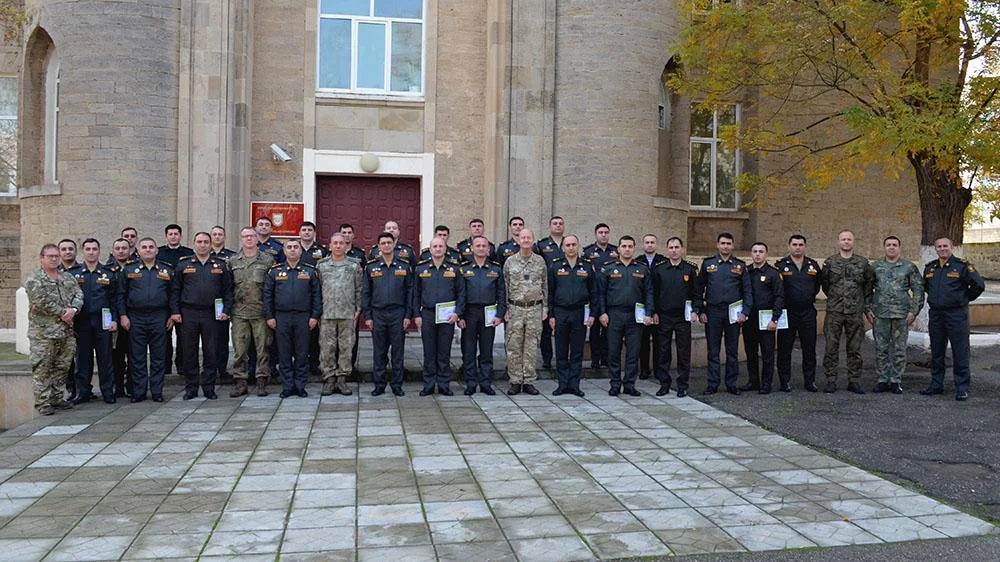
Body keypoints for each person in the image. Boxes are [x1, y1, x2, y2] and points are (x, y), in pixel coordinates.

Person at [920, 237, 985, 401]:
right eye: (939, 246)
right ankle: (936, 385)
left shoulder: (962, 266)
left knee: (960, 351)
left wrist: (963, 299)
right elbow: (927, 287)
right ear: (935, 249)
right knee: (937, 351)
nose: (942, 249)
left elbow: (979, 285)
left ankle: (962, 388)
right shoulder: (930, 268)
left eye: (945, 246)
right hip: (936, 315)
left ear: (952, 247)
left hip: (957, 315)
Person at [171, 232, 233, 400]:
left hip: (211, 313)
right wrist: (175, 311)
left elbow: (228, 290)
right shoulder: (184, 264)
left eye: (206, 242)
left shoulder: (220, 265)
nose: (203, 245)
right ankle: (191, 388)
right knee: (189, 352)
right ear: (194, 244)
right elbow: (175, 290)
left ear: (211, 244)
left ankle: (209, 388)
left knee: (211, 351)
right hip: (188, 313)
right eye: (199, 241)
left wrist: (226, 310)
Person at [25, 244, 83, 415]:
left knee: (62, 366)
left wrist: (73, 310)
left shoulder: (67, 277)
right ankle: (43, 402)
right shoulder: (35, 279)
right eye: (50, 256)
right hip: (44, 334)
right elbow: (40, 301)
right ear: (41, 258)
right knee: (42, 367)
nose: (54, 259)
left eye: (56, 256)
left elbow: (79, 295)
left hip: (66, 332)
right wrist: (62, 312)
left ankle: (57, 397)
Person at [263, 239, 322, 398]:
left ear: (301, 251)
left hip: (303, 317)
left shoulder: (310, 271)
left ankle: (300, 385)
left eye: (296, 247)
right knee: (284, 353)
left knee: (302, 353)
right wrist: (269, 316)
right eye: (289, 247)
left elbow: (317, 296)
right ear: (284, 250)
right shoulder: (274, 271)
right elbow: (267, 296)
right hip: (281, 317)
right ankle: (288, 386)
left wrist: (315, 316)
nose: (293, 250)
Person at [118, 237, 174, 402]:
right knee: (137, 357)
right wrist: (123, 316)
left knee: (158, 356)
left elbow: (173, 294)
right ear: (138, 251)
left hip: (159, 317)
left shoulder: (166, 270)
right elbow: (121, 295)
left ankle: (157, 391)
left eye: (151, 247)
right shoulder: (129, 270)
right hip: (136, 318)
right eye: (144, 247)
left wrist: (172, 314)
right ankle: (139, 392)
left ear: (157, 250)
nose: (148, 249)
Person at [867, 236, 924, 394]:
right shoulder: (875, 267)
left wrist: (914, 311)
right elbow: (867, 290)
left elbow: (918, 290)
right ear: (884, 247)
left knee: (900, 350)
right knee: (881, 349)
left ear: (899, 247)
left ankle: (896, 380)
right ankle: (882, 379)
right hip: (880, 315)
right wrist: (868, 310)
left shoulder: (909, 267)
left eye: (894, 245)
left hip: (901, 315)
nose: (891, 247)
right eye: (888, 245)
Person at [597, 235, 653, 396]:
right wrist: (602, 313)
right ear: (619, 249)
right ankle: (615, 384)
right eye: (624, 246)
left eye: (630, 246)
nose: (627, 249)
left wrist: (649, 313)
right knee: (613, 351)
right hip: (614, 314)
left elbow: (649, 292)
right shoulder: (608, 268)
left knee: (633, 352)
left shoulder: (642, 269)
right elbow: (600, 293)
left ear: (634, 248)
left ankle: (629, 384)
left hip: (635, 315)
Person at [821, 229, 875, 394]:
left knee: (854, 348)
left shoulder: (863, 263)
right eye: (843, 239)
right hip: (834, 312)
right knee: (831, 347)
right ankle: (831, 380)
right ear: (838, 242)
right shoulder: (830, 263)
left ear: (853, 242)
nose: (846, 242)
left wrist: (863, 306)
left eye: (849, 239)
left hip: (854, 312)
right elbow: (825, 285)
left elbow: (868, 286)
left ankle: (854, 380)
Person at [67, 239, 120, 404]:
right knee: (83, 359)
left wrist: (114, 320)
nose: (91, 252)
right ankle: (83, 392)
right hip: (81, 321)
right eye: (88, 249)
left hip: (102, 320)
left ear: (99, 251)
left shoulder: (108, 273)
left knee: (105, 358)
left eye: (94, 249)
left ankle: (107, 392)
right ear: (83, 251)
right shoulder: (74, 274)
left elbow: (114, 299)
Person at [698, 232, 751, 395]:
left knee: (732, 350)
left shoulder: (740, 266)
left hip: (733, 313)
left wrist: (745, 312)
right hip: (713, 312)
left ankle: (731, 383)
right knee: (713, 350)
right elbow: (699, 289)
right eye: (723, 243)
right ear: (717, 245)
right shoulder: (708, 264)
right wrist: (701, 310)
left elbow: (747, 291)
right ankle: (713, 384)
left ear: (733, 246)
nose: (725, 246)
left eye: (728, 243)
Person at [363, 232, 413, 396]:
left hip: (398, 313)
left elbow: (409, 293)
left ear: (393, 245)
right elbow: (366, 293)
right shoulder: (371, 267)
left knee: (398, 352)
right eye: (383, 243)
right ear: (378, 246)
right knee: (379, 352)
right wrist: (368, 316)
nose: (386, 245)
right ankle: (379, 384)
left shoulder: (404, 266)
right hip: (378, 313)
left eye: (388, 242)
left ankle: (397, 385)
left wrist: (407, 316)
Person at [413, 237, 466, 396]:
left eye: (440, 246)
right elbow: (415, 294)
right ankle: (428, 385)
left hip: (447, 316)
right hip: (427, 314)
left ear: (445, 249)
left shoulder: (455, 269)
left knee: (444, 352)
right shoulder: (421, 269)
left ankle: (444, 385)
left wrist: (457, 313)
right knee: (429, 352)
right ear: (430, 249)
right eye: (434, 246)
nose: (437, 249)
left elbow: (461, 293)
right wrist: (417, 314)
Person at [650, 237, 701, 397]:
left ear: (682, 249)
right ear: (667, 250)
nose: (674, 250)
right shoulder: (659, 269)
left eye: (677, 247)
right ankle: (664, 384)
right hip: (664, 316)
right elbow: (653, 293)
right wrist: (654, 312)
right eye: (671, 247)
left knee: (683, 352)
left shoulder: (690, 269)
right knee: (663, 351)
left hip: (683, 317)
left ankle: (682, 385)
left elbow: (697, 293)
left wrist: (696, 310)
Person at [228, 227, 275, 397]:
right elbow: (228, 287)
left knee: (263, 349)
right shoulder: (232, 261)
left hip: (261, 312)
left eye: (251, 236)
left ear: (257, 239)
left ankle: (262, 381)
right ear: (241, 239)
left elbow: (271, 289)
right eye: (245, 236)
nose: (248, 239)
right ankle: (241, 382)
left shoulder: (267, 260)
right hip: (239, 312)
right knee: (240, 350)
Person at [547, 235, 596, 397]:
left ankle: (574, 384)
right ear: (562, 247)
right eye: (567, 245)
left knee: (577, 351)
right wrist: (551, 315)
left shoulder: (587, 266)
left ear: (578, 245)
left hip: (580, 312)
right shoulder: (555, 266)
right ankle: (562, 384)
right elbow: (550, 293)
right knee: (561, 351)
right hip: (560, 312)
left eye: (574, 244)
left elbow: (594, 293)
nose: (571, 247)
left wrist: (593, 314)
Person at [316, 233, 362, 396]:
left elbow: (359, 289)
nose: (338, 246)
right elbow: (317, 290)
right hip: (327, 314)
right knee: (327, 348)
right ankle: (329, 379)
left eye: (341, 243)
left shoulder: (354, 265)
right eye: (334, 243)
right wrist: (318, 312)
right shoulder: (321, 266)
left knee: (346, 348)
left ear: (346, 245)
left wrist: (358, 310)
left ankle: (342, 379)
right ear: (330, 245)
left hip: (347, 313)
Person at [775, 235, 823, 392]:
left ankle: (810, 381)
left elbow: (816, 287)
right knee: (784, 349)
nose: (797, 247)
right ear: (789, 246)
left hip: (807, 313)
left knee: (809, 349)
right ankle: (784, 381)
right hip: (787, 313)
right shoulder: (780, 266)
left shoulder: (813, 266)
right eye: (794, 244)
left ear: (805, 246)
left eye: (800, 244)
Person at [459, 236, 505, 395]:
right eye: (477, 245)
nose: (480, 248)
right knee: (469, 350)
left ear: (488, 249)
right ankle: (471, 383)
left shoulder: (496, 269)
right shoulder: (464, 269)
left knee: (486, 350)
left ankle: (485, 383)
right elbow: (461, 295)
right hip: (470, 313)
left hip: (489, 312)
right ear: (472, 248)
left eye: (483, 246)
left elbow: (501, 294)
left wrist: (500, 314)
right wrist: (461, 316)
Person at [504, 228, 548, 395]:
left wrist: (545, 307)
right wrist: (505, 309)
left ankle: (529, 380)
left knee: (531, 346)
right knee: (514, 346)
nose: (526, 240)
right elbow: (505, 286)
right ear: (518, 240)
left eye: (529, 237)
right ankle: (515, 381)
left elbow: (545, 286)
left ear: (533, 240)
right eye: (523, 237)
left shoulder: (540, 262)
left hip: (535, 309)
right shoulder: (510, 262)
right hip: (515, 308)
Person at [740, 242, 785, 394]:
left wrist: (775, 318)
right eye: (754, 251)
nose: (757, 254)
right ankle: (753, 381)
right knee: (750, 352)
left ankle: (766, 383)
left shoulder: (773, 273)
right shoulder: (746, 271)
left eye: (761, 251)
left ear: (766, 254)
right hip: (749, 318)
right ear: (751, 254)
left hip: (767, 319)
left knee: (767, 353)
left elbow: (779, 297)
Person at [159, 224, 194, 377]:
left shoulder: (188, 253)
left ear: (180, 236)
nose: (173, 236)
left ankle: (181, 365)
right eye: (170, 234)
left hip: (182, 299)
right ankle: (165, 365)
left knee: (183, 335)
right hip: (164, 298)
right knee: (164, 335)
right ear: (166, 236)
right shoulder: (159, 253)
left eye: (176, 234)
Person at [583, 223, 618, 370]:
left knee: (608, 330)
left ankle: (606, 358)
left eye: (606, 232)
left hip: (610, 295)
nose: (603, 234)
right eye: (600, 232)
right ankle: (595, 360)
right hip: (593, 294)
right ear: (595, 234)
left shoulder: (615, 251)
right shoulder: (588, 252)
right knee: (595, 330)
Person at [533, 216, 565, 369]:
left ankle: (562, 358)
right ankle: (546, 359)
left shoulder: (568, 243)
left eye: (560, 224)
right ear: (549, 227)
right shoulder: (541, 245)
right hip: (545, 288)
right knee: (545, 326)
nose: (558, 226)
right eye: (555, 224)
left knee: (561, 326)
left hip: (564, 288)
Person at [299, 221, 329, 379]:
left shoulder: (322, 250)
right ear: (299, 233)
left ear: (314, 233)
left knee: (315, 334)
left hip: (316, 295)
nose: (306, 232)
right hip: (298, 296)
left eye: (309, 230)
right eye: (304, 230)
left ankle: (314, 364)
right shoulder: (294, 248)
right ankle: (300, 363)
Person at [209, 225, 236, 384]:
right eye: (215, 234)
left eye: (220, 234)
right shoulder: (203, 255)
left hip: (222, 303)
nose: (217, 237)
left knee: (222, 338)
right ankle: (209, 368)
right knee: (208, 338)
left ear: (224, 237)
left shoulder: (231, 257)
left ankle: (222, 368)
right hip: (206, 303)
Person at [638, 234, 668, 379]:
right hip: (641, 308)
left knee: (658, 341)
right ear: (643, 245)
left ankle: (658, 369)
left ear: (656, 245)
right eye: (647, 242)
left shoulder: (663, 262)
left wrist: (656, 310)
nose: (649, 245)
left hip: (659, 308)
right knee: (643, 341)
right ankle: (644, 369)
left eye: (652, 242)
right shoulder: (637, 261)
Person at [108, 237, 135, 398]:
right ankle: (118, 387)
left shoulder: (135, 268)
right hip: (114, 319)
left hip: (133, 317)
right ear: (113, 251)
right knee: (116, 355)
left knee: (134, 354)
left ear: (129, 250)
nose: (121, 251)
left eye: (124, 248)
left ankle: (132, 387)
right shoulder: (107, 270)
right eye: (117, 248)